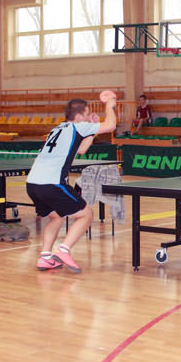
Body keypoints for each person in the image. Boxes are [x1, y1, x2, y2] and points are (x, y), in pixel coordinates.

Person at [27, 94, 117, 272]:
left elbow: (81, 149)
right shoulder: (78, 126)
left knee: (56, 217)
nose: (88, 117)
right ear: (79, 116)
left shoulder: (57, 129)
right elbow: (111, 125)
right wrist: (110, 105)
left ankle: (45, 257)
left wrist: (92, 129)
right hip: (51, 183)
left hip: (32, 184)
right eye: (87, 114)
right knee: (86, 215)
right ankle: (63, 250)